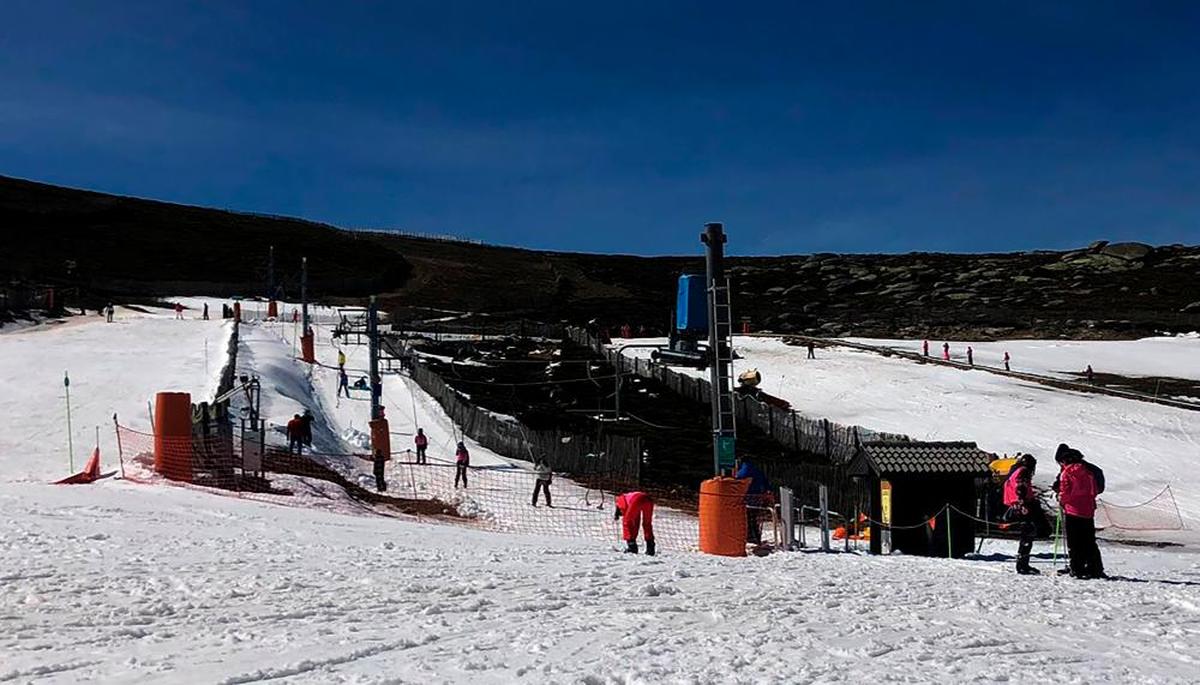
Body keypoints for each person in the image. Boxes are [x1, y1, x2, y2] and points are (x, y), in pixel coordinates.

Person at [1053, 444, 1106, 579]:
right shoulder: (1088, 471)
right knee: (1089, 541)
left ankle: (1077, 568)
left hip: (1072, 510)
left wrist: (1060, 498)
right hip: (1088, 509)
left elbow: (1065, 492)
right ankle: (1095, 568)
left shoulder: (1067, 473)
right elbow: (1094, 490)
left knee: (1074, 542)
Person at [1002, 454, 1041, 575]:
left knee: (1025, 535)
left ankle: (1022, 563)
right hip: (1022, 506)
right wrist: (1023, 503)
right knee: (1027, 535)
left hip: (1014, 505)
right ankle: (1023, 565)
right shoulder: (1024, 471)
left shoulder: (1014, 471)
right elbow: (1021, 488)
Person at [735, 458, 771, 545]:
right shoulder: (757, 471)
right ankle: (755, 536)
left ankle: (750, 537)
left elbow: (738, 482)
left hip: (747, 498)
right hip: (758, 498)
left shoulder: (743, 471)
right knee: (754, 519)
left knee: (747, 519)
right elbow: (765, 482)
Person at [614, 491, 655, 555]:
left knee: (626, 521)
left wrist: (617, 515)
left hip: (637, 499)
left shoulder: (620, 499)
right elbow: (636, 523)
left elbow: (626, 516)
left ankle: (632, 546)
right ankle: (650, 547)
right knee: (647, 523)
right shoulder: (628, 497)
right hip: (648, 499)